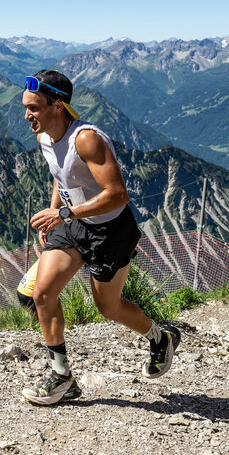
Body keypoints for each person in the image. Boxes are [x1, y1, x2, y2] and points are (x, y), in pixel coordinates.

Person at [20, 69, 180, 406]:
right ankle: (62, 375)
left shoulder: (86, 139)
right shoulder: (44, 138)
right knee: (43, 292)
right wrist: (55, 214)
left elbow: (118, 194)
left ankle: (160, 337)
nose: (27, 115)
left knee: (109, 307)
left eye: (34, 107)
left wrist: (61, 214)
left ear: (58, 106)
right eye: (26, 107)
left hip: (110, 230)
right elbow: (59, 177)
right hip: (73, 223)